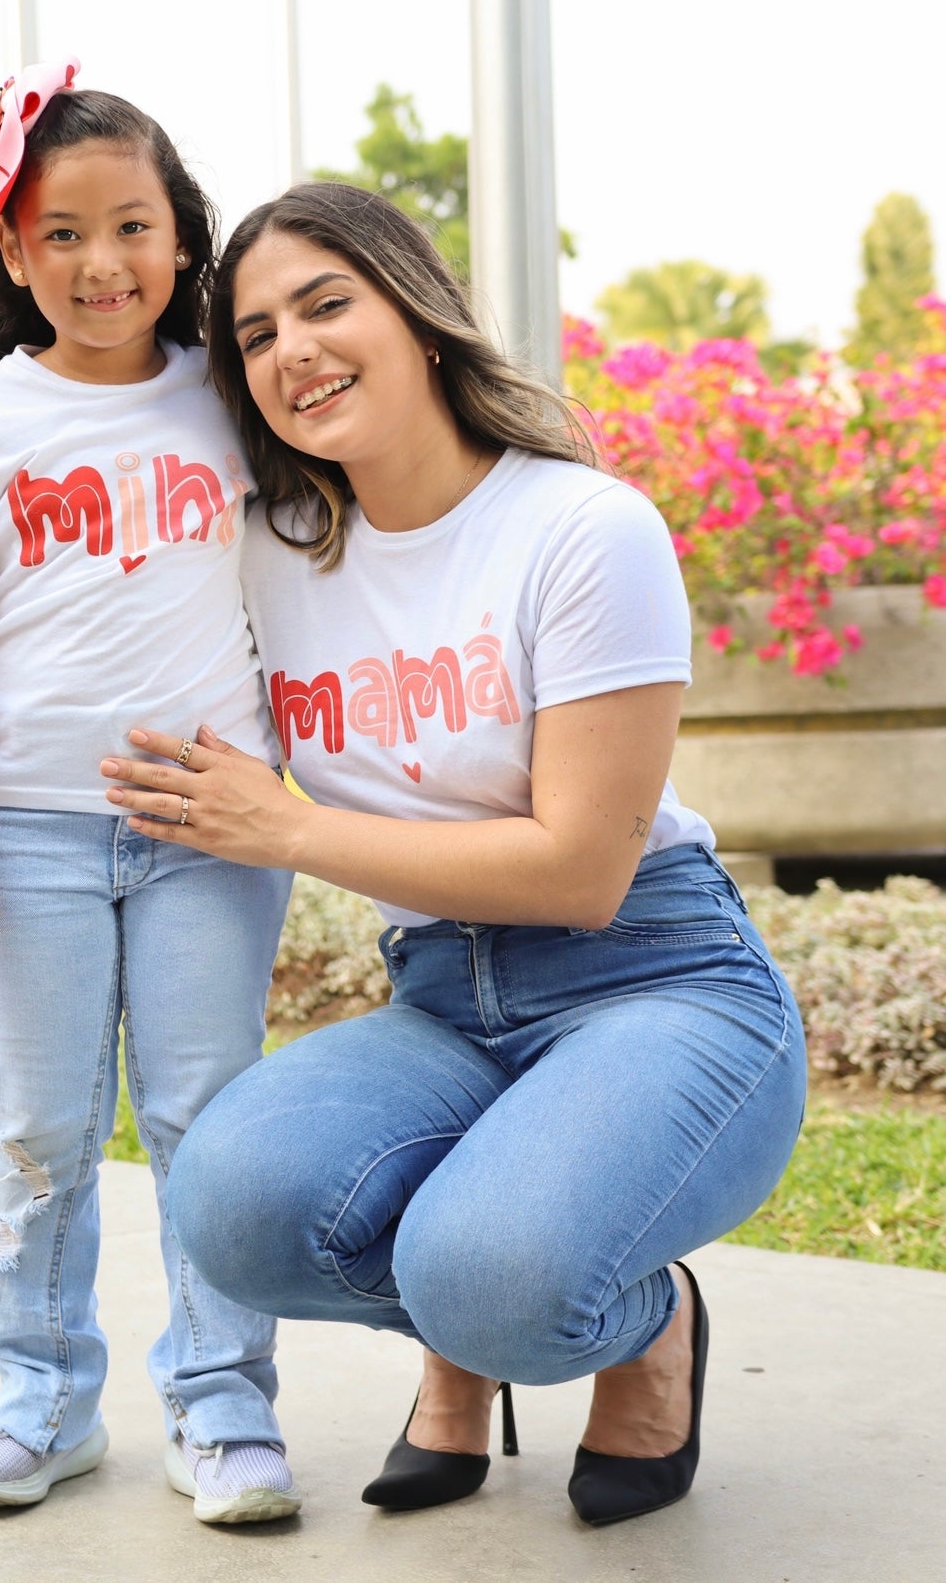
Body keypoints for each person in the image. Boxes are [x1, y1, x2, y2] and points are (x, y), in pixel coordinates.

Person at [97, 181, 808, 1527]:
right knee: (231, 1204)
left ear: (416, 315)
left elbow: (580, 872)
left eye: (324, 303)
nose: (291, 350)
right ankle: (484, 1285)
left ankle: (631, 1320)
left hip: (652, 978)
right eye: (254, 335)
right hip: (442, 992)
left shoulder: (582, 531)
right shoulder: (269, 555)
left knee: (499, 1275)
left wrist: (293, 826)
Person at [0, 60, 300, 1523]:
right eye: (61, 232)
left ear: (182, 237)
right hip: (24, 837)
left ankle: (221, 1403)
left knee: (206, 1117)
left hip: (209, 835)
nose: (100, 261)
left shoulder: (229, 400)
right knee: (43, 1126)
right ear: (13, 251)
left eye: (131, 225)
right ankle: (42, 1400)